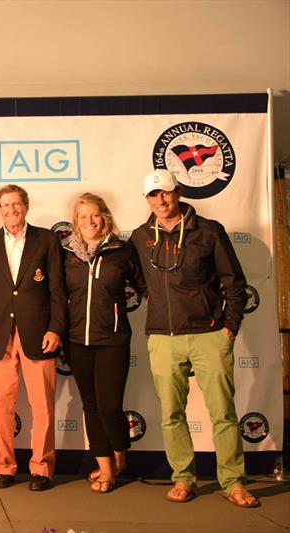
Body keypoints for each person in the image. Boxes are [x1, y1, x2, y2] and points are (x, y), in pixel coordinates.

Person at [130, 169, 259, 507]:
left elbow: (234, 282)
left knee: (223, 413)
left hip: (209, 335)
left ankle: (233, 481)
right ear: (147, 199)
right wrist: (151, 297)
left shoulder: (208, 231)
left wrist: (229, 327)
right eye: (153, 195)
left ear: (179, 192)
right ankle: (183, 478)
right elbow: (135, 277)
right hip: (163, 338)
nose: (160, 200)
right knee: (171, 413)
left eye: (166, 193)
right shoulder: (141, 237)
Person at [0, 184, 66, 491]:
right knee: (1, 406)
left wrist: (55, 328)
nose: (11, 210)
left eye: (16, 204)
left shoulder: (48, 240)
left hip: (39, 335)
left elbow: (57, 291)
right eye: (5, 205)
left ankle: (42, 468)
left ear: (26, 206)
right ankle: (5, 466)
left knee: (43, 407)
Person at [63, 193, 145, 493]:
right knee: (91, 407)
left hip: (112, 340)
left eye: (94, 214)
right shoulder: (67, 255)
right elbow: (59, 297)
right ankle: (106, 467)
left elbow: (147, 288)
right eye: (83, 216)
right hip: (76, 342)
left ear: (105, 216)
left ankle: (120, 457)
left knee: (110, 408)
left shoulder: (122, 251)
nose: (89, 221)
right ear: (75, 222)